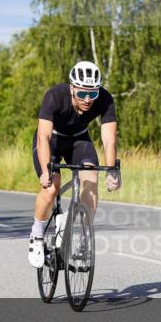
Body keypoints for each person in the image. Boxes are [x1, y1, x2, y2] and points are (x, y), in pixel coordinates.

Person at [28, 61, 120, 268]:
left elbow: (109, 140)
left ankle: (80, 235)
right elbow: (43, 137)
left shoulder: (105, 99)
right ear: (72, 88)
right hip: (52, 140)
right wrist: (45, 171)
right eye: (82, 94)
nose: (87, 100)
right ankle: (36, 235)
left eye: (92, 94)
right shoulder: (55, 96)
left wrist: (111, 171)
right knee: (51, 186)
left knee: (91, 179)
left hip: (79, 140)